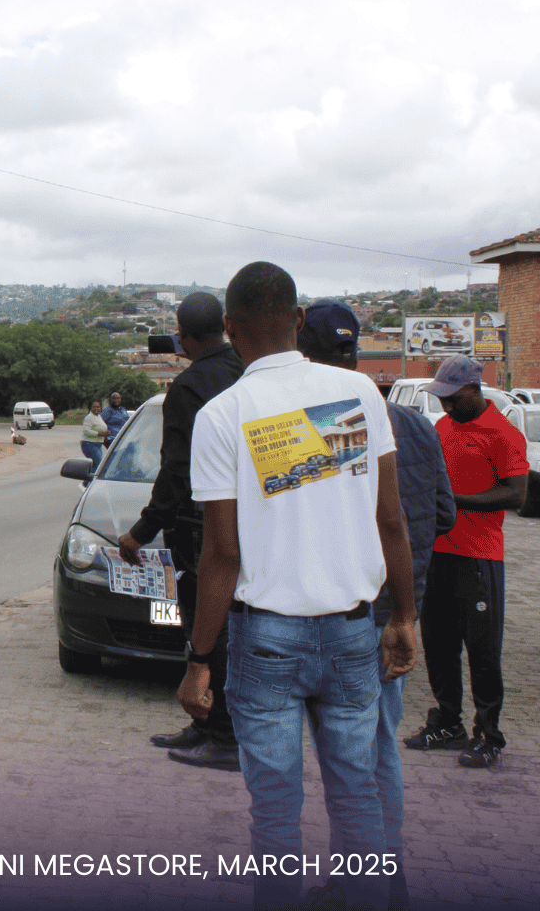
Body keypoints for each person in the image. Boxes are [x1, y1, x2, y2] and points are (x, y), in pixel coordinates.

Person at [181, 262, 417, 911]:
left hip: (266, 642)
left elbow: (221, 553)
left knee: (276, 813)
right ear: (299, 319)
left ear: (230, 329)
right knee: (357, 799)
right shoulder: (359, 393)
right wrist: (404, 616)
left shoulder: (222, 415)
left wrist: (199, 660)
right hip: (353, 633)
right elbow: (391, 519)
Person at [297, 300, 455, 911]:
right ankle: (383, 876)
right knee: (377, 745)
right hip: (399, 612)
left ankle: (366, 884)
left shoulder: (324, 426)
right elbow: (443, 515)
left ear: (304, 354)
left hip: (350, 613)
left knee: (351, 756)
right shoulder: (413, 423)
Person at [119, 292, 244, 771]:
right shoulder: (244, 370)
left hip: (199, 525)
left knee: (208, 628)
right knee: (233, 621)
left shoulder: (189, 387)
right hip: (248, 519)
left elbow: (177, 470)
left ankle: (224, 734)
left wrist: (142, 530)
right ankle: (207, 725)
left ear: (183, 335)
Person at [403, 355, 526, 769]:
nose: (447, 406)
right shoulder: (441, 429)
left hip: (478, 556)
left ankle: (488, 734)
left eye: (453, 399)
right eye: (442, 399)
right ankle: (447, 722)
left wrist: (453, 501)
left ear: (474, 389)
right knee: (438, 645)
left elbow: (516, 494)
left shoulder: (503, 434)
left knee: (483, 651)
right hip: (437, 553)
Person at [79, 400, 109, 486]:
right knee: (98, 464)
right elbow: (86, 431)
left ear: (101, 408)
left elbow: (102, 427)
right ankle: (87, 483)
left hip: (98, 444)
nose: (97, 408)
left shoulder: (99, 416)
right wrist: (100, 433)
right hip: (89, 444)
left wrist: (106, 434)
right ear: (91, 408)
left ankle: (90, 482)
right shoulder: (89, 417)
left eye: (98, 407)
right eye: (94, 407)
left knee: (97, 465)